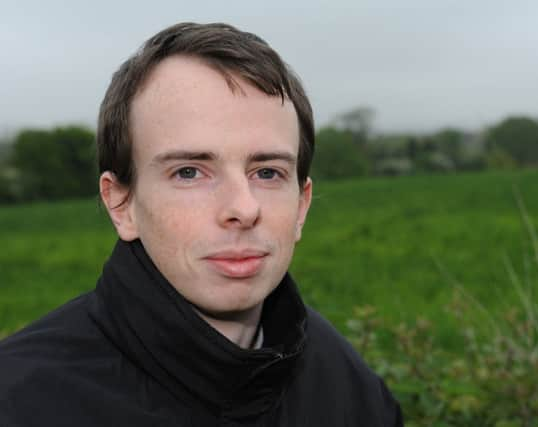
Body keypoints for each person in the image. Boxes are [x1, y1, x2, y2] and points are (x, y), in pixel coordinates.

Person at [0, 22, 403, 426]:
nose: (243, 208)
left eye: (267, 173)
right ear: (121, 203)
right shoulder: (19, 401)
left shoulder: (349, 387)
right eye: (189, 172)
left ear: (301, 205)